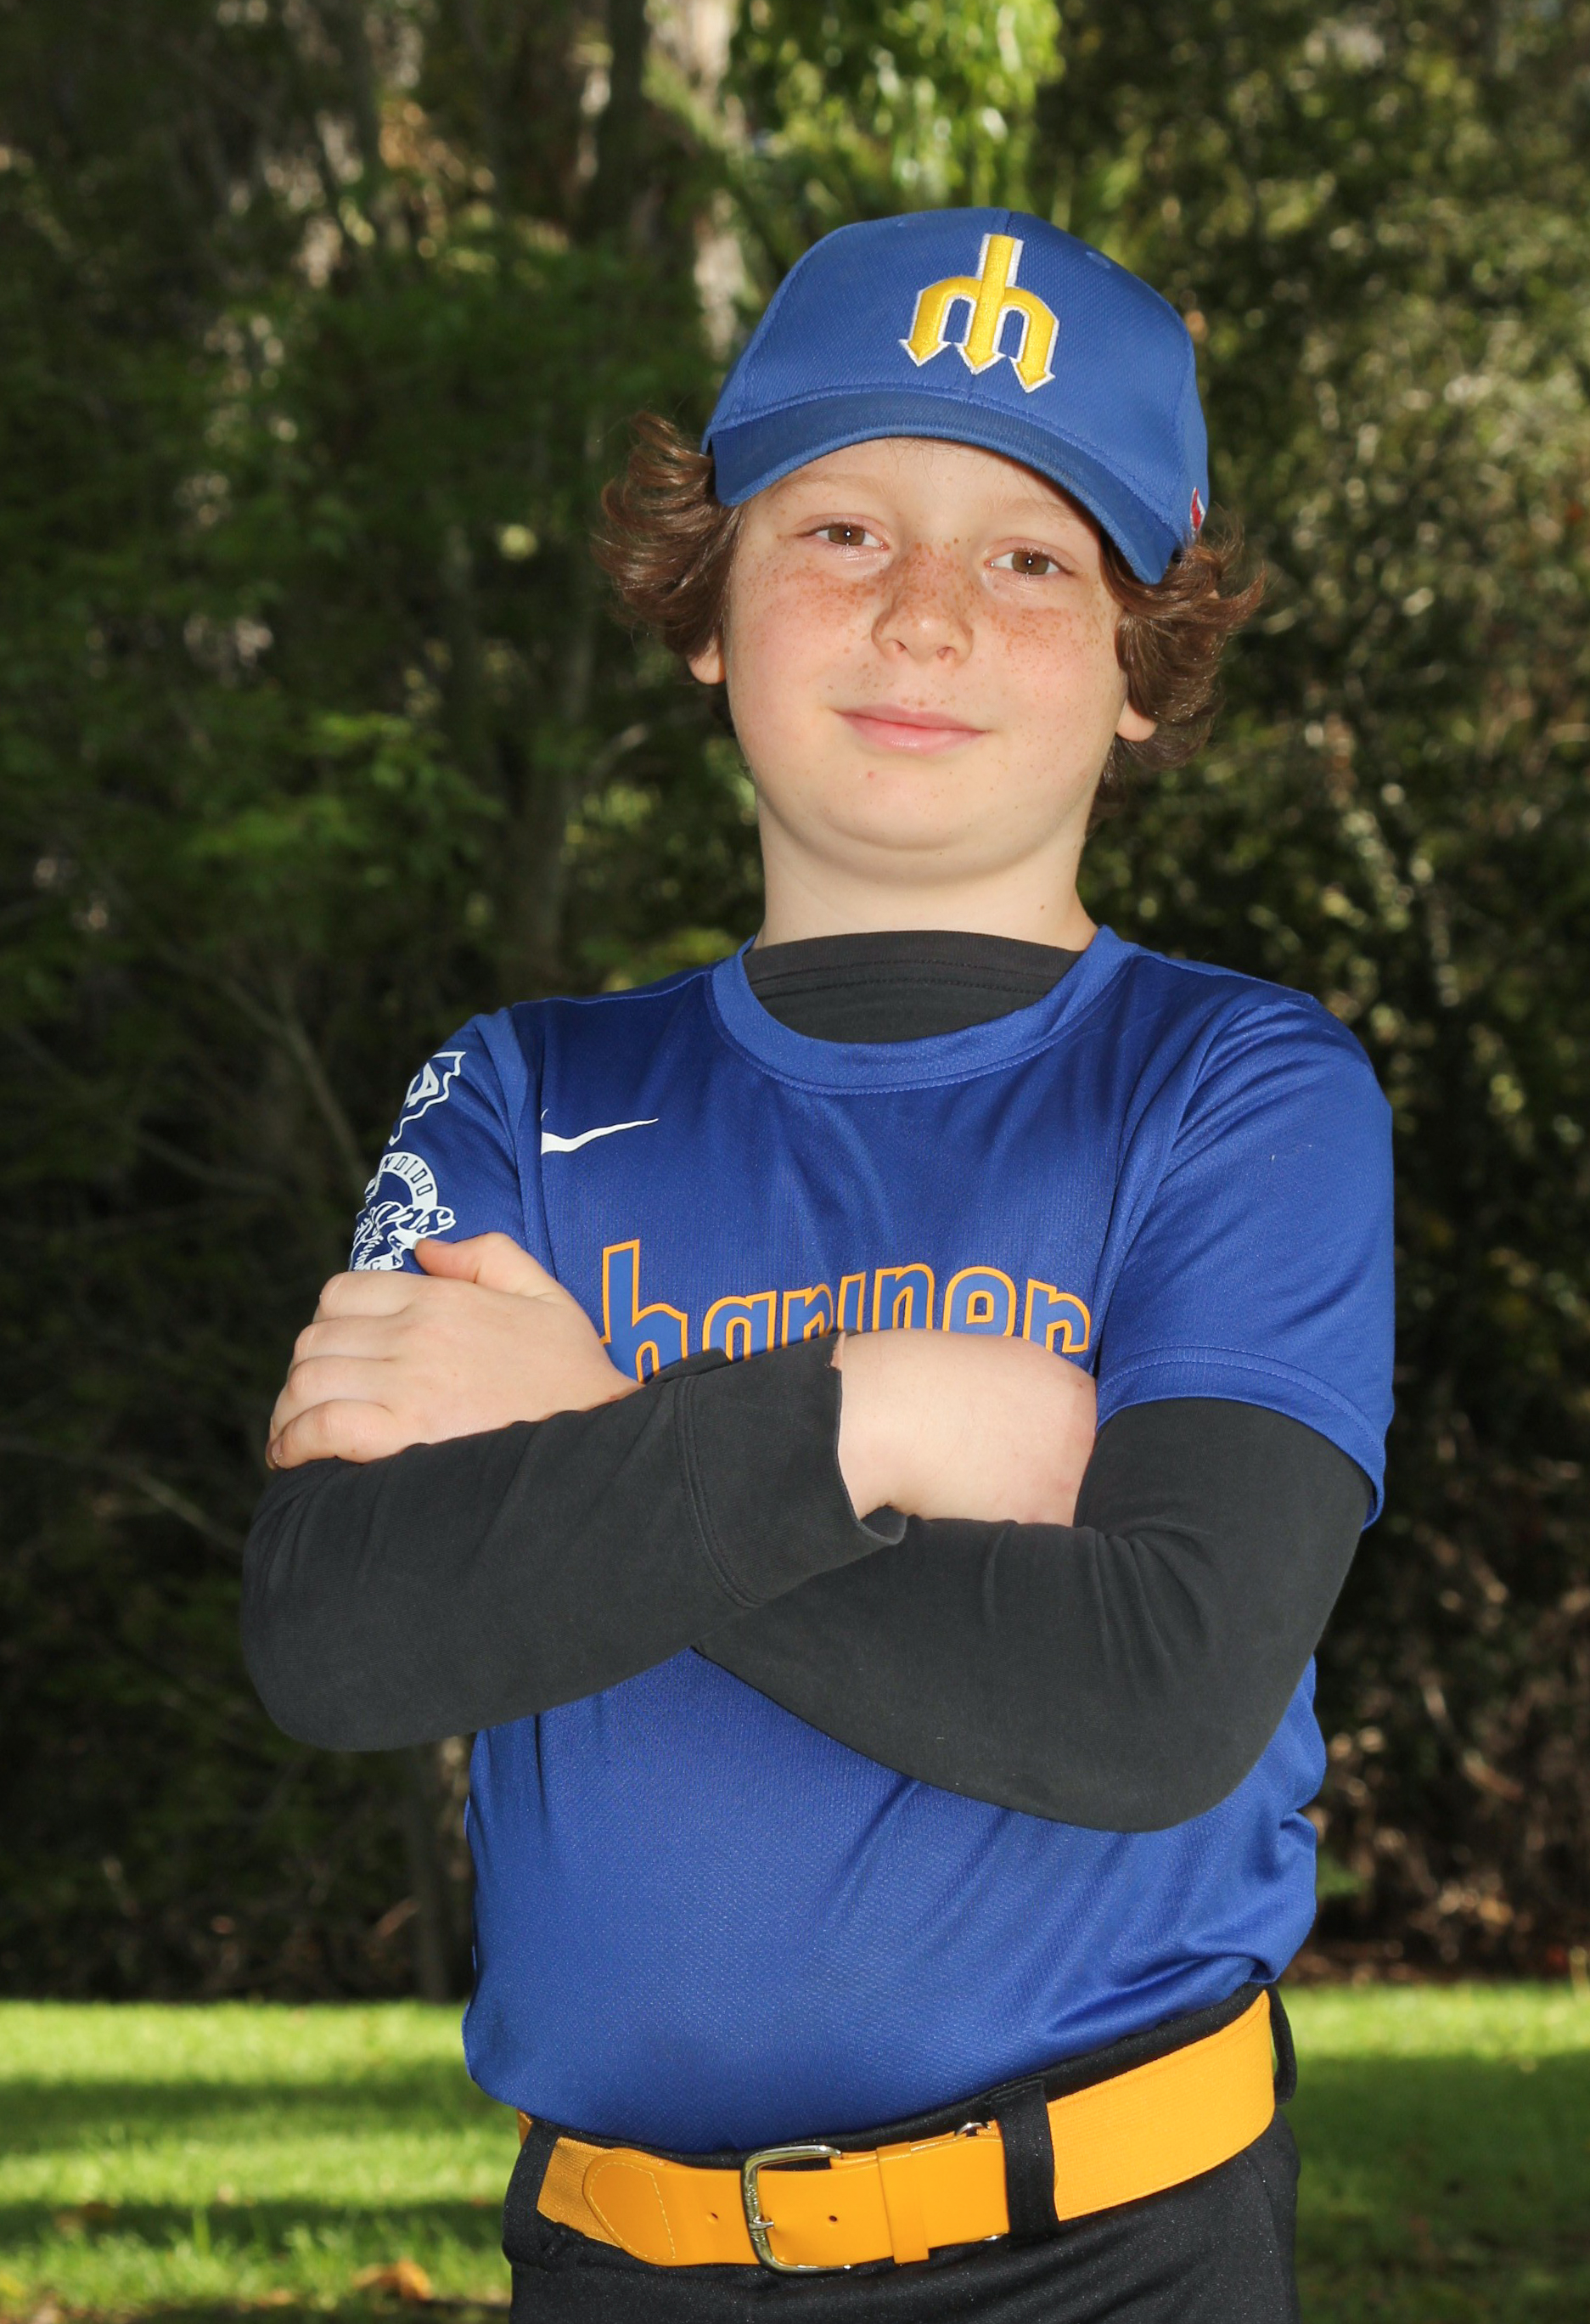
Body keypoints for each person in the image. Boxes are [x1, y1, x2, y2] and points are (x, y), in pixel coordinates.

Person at [244, 207, 1393, 2322]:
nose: (923, 616)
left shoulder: (1237, 1088)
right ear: (707, 605)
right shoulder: (519, 1094)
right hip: (619, 2261)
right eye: (842, 529)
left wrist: (597, 1427)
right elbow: (339, 1629)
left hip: (1109, 2252)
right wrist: (881, 1417)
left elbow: (1150, 1691)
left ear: (1144, 663)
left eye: (1030, 557)